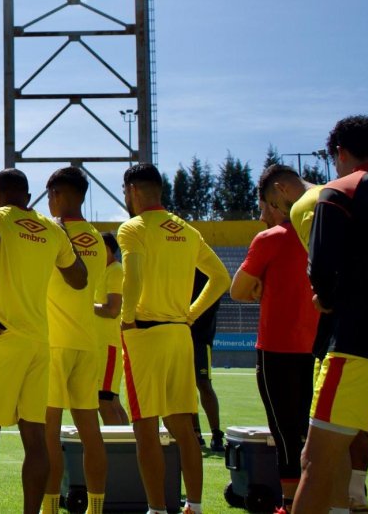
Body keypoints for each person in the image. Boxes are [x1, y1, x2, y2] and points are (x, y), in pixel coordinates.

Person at [0, 168, 87, 514]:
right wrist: (63, 239)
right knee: (35, 440)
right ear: (28, 196)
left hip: (1, 338)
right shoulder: (52, 228)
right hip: (39, 343)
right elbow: (79, 278)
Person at [117, 163, 230, 514]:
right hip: (181, 334)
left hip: (145, 334)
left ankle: (156, 508)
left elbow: (132, 276)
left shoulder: (133, 228)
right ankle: (194, 506)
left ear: (133, 190)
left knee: (145, 427)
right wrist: (191, 314)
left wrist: (127, 318)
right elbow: (221, 278)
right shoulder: (187, 230)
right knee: (183, 425)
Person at [264, 161, 368, 511]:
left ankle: (346, 501)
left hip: (347, 342)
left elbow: (325, 273)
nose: (279, 215)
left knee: (318, 452)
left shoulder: (314, 202)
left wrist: (324, 296)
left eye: (274, 206)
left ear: (281, 191)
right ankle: (354, 496)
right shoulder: (356, 193)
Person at [294, 115, 368, 514]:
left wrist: (326, 297)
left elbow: (321, 269)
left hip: (356, 345)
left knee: (316, 462)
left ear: (341, 153)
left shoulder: (339, 191)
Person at [230, 184, 318, 510]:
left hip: (278, 348)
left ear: (276, 203)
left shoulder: (270, 238)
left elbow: (237, 290)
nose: (260, 215)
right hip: (321, 347)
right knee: (325, 432)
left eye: (263, 208)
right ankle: (348, 497)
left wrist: (261, 283)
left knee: (285, 434)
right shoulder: (321, 232)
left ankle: (292, 502)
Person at [40, 167, 104, 514]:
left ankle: (49, 507)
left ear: (58, 195)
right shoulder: (95, 236)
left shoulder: (52, 231)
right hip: (87, 341)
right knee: (90, 431)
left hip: (55, 342)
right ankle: (96, 507)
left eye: (50, 195)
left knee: (48, 432)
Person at [188, 271, 225, 452]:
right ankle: (195, 433)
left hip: (200, 339)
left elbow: (212, 302)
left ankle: (216, 434)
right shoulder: (180, 269)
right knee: (186, 387)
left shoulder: (208, 272)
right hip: (181, 336)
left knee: (204, 384)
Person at [95, 232, 129, 425]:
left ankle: (117, 448)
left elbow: (113, 309)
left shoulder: (115, 270)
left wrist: (85, 306)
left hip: (107, 346)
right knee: (110, 401)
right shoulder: (104, 271)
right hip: (101, 346)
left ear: (107, 249)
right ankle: (126, 447)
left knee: (105, 401)